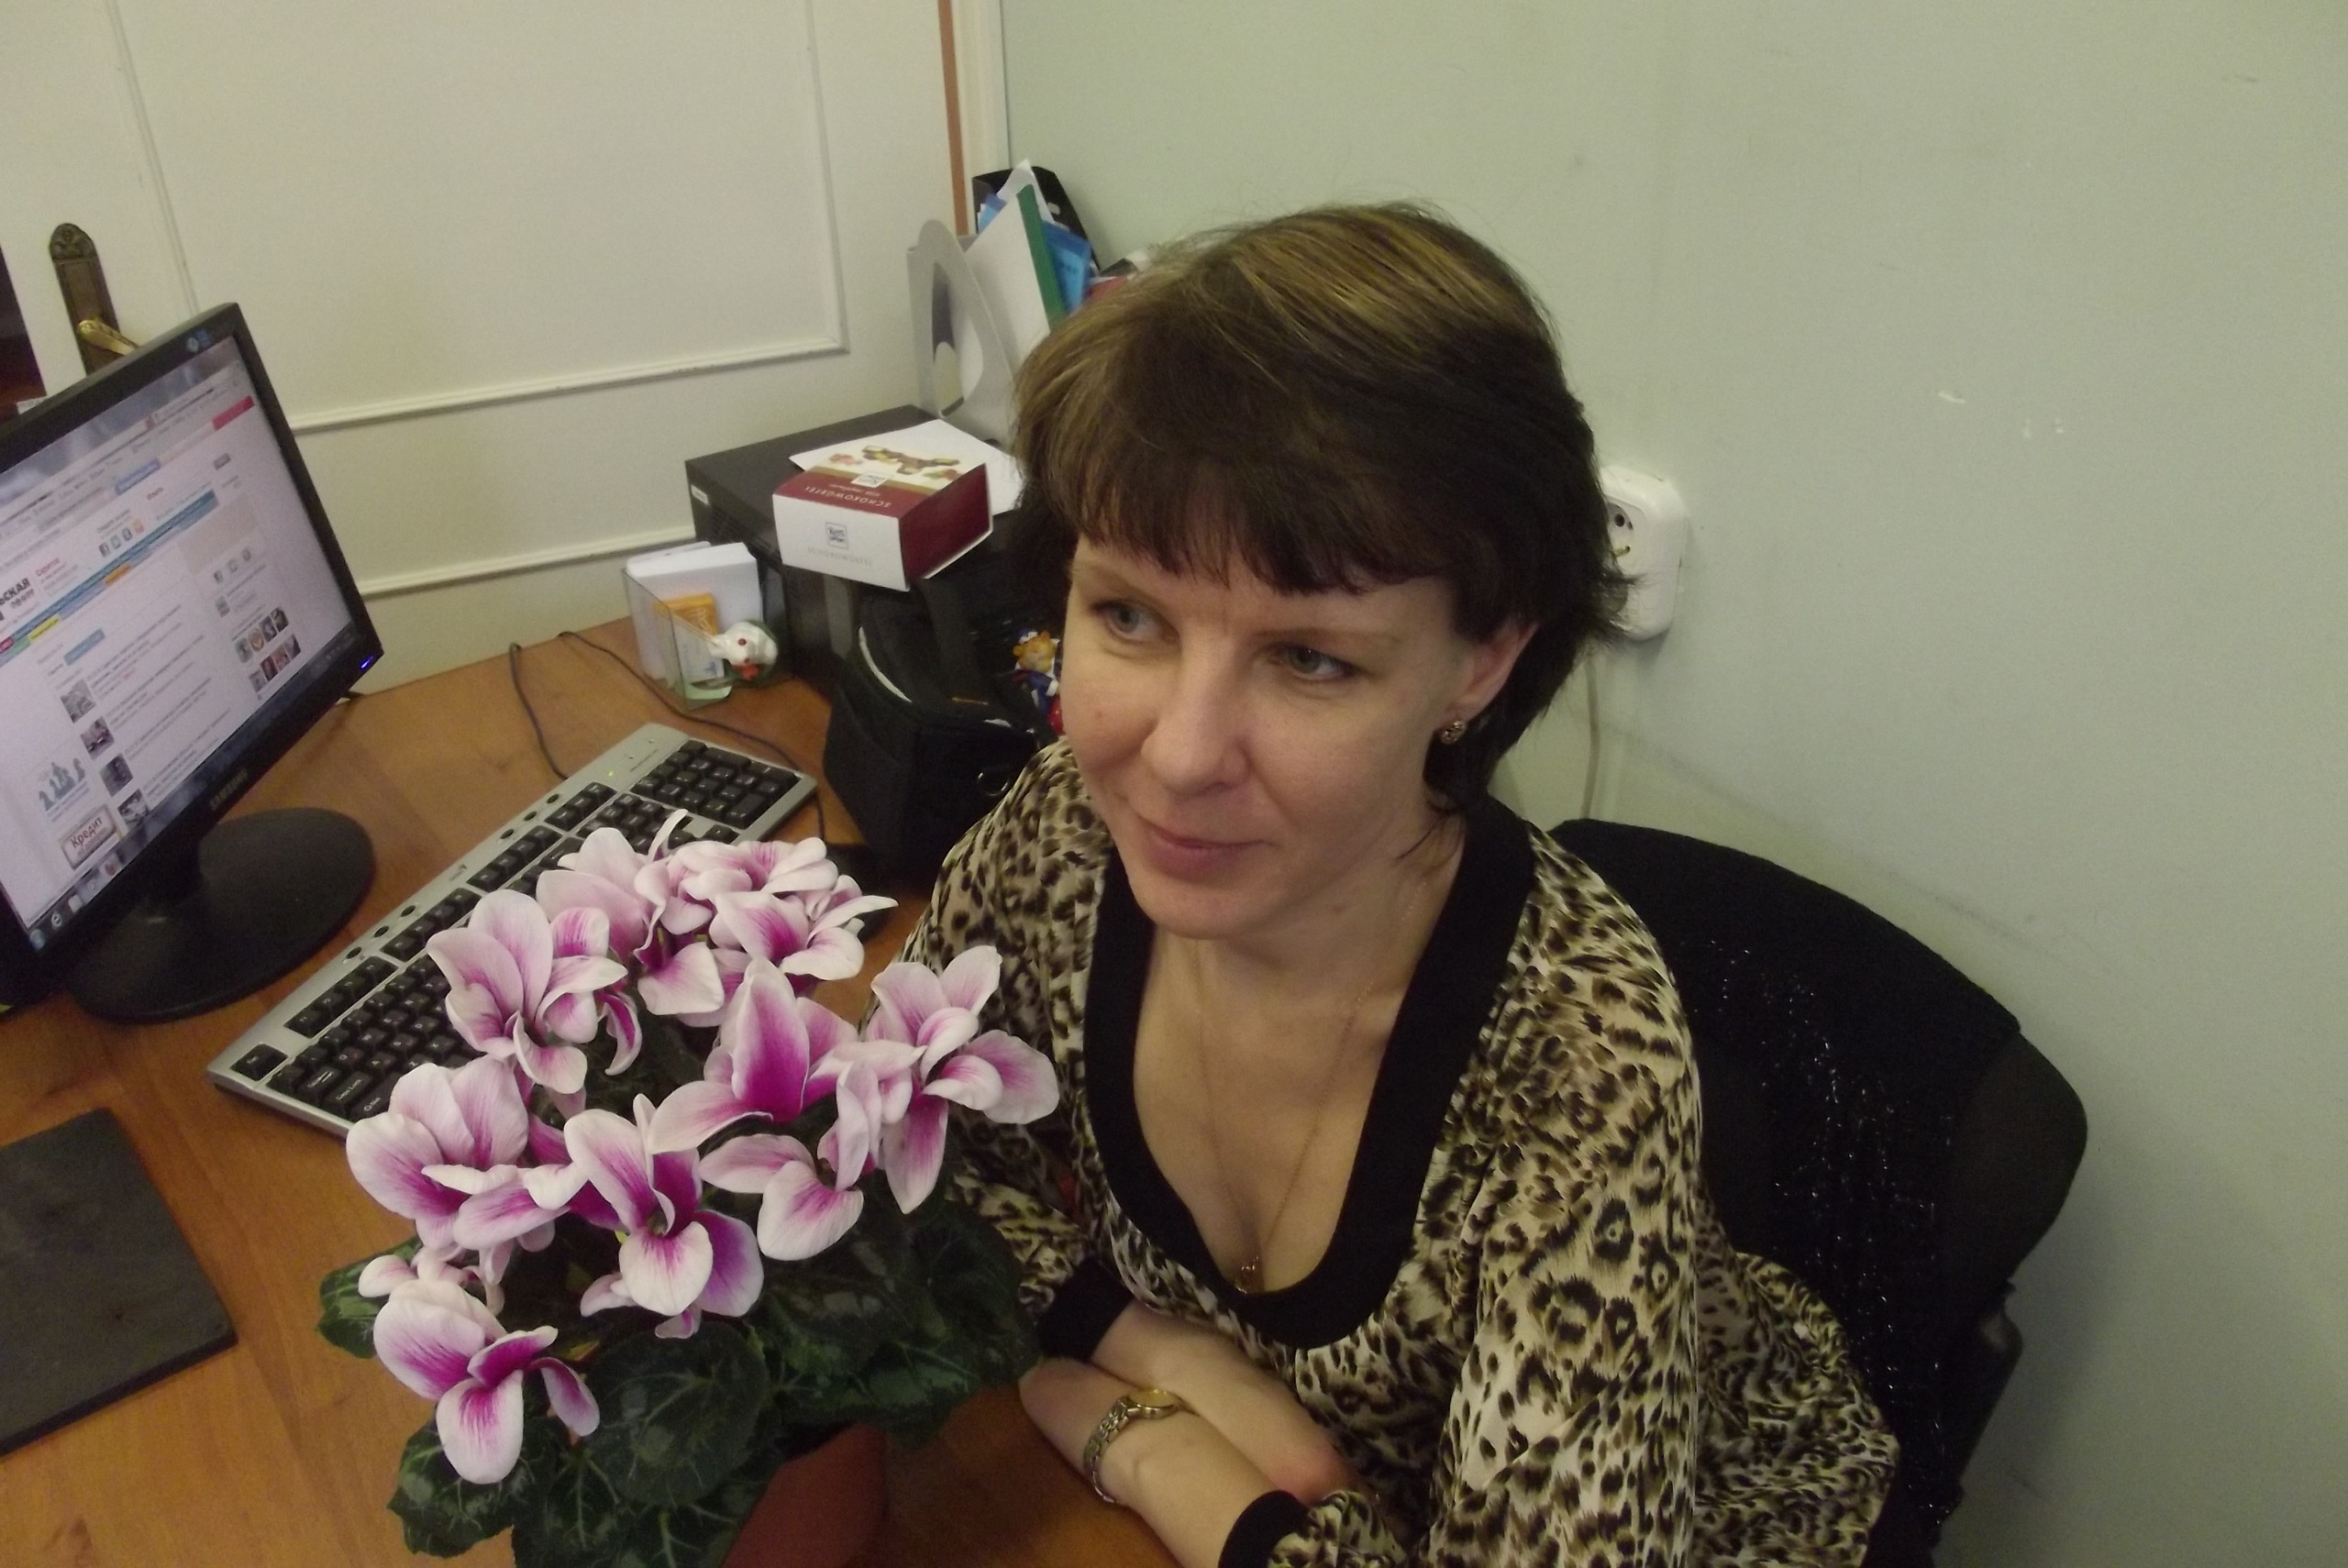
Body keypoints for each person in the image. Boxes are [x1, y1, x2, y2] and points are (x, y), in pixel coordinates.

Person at [897, 204, 1897, 1566]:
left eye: (1310, 658)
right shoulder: (1067, 831)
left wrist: (1159, 1455)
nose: (1176, 757)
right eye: (1129, 615)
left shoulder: (1576, 1061)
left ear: (1481, 663)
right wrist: (1141, 1344)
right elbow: (908, 1158)